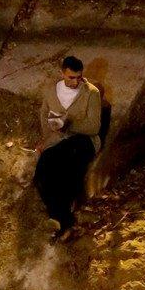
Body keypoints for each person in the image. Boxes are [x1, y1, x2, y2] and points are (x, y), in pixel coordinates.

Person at [34, 56, 102, 242]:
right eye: (71, 77)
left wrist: (67, 125)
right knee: (42, 171)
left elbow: (93, 127)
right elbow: (44, 118)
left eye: (79, 77)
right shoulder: (51, 90)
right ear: (62, 73)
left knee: (68, 165)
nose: (75, 82)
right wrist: (46, 139)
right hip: (58, 140)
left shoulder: (91, 93)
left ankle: (59, 219)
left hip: (83, 140)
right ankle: (62, 219)